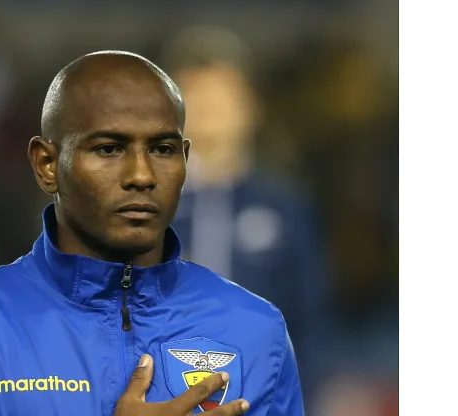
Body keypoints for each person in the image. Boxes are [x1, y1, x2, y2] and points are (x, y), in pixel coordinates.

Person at [0, 50, 304, 415]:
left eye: (162, 149)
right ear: (47, 164)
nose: (142, 175)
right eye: (109, 149)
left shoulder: (256, 329)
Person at [158, 26, 331, 403]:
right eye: (197, 95)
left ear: (251, 105)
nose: (210, 108)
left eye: (223, 94)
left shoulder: (284, 205)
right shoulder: (144, 203)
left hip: (260, 395)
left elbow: (308, 319)